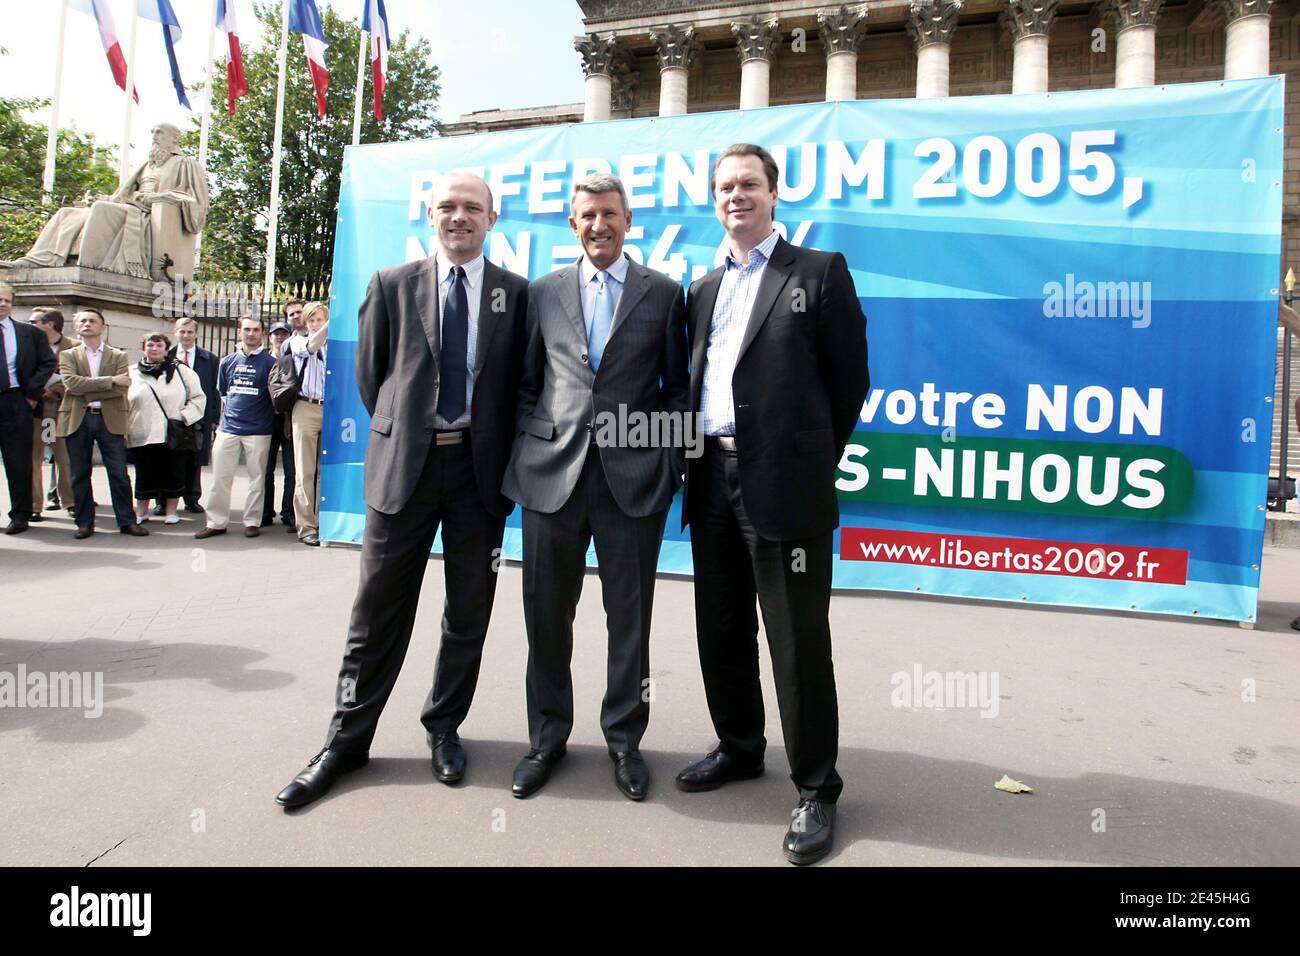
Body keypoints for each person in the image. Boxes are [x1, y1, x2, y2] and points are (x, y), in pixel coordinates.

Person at [275, 171, 528, 809]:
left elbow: (520, 385)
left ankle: (444, 727)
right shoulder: (391, 284)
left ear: (492, 220)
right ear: (430, 214)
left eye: (473, 207)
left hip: (479, 478)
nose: (460, 216)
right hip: (403, 474)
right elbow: (373, 380)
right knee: (376, 614)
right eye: (448, 205)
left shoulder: (514, 294)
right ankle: (346, 741)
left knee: (467, 613)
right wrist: (410, 431)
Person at [676, 144, 869, 865]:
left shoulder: (818, 273)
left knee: (796, 640)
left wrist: (802, 458)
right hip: (711, 483)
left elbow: (849, 384)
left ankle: (817, 788)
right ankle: (738, 746)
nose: (736, 196)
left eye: (748, 184)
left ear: (774, 193)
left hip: (783, 487)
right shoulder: (699, 290)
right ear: (714, 198)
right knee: (720, 629)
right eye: (725, 186)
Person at [501, 173, 689, 801]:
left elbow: (676, 389)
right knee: (546, 616)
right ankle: (546, 738)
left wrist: (665, 459)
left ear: (628, 220)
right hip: (553, 479)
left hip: (631, 484)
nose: (598, 225)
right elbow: (528, 383)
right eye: (587, 216)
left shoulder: (664, 294)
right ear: (572, 224)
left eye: (609, 214)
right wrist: (533, 447)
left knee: (629, 621)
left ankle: (624, 741)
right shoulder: (542, 293)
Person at [58, 308, 148, 539]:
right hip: (78, 418)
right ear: (76, 327)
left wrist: (87, 389)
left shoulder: (118, 355)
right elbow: (71, 384)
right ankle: (84, 522)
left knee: (118, 472)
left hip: (110, 419)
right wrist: (109, 381)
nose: (87, 324)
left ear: (102, 327)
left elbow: (122, 388)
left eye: (92, 321)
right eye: (82, 321)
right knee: (79, 473)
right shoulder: (68, 355)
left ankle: (127, 521)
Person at [196, 315, 276, 539]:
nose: (251, 334)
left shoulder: (271, 363)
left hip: (259, 430)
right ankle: (216, 522)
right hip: (228, 428)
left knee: (257, 479)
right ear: (239, 331)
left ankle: (252, 521)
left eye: (256, 330)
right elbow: (223, 393)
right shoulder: (227, 361)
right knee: (220, 478)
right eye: (247, 329)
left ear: (262, 333)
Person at [126, 333, 206, 524]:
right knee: (144, 473)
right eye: (150, 345)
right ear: (143, 348)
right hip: (142, 431)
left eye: (159, 345)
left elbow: (198, 398)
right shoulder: (131, 372)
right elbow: (123, 402)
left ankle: (171, 511)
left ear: (166, 348)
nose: (154, 349)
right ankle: (142, 511)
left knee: (174, 472)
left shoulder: (181, 372)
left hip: (174, 432)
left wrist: (184, 416)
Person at [0, 281, 56, 534]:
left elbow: (47, 363)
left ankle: (20, 514)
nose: (2, 304)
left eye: (6, 300)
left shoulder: (29, 333)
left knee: (18, 462)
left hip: (16, 402)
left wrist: (31, 396)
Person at [164, 317, 219, 514]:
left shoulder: (209, 358)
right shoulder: (166, 356)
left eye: (189, 332)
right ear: (175, 333)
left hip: (199, 415)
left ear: (196, 334)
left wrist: (214, 419)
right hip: (172, 415)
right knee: (168, 458)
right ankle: (164, 500)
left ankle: (192, 498)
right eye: (182, 331)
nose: (186, 336)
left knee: (194, 458)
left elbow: (215, 389)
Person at [28, 307, 76, 518]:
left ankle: (70, 502)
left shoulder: (73, 347)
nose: (29, 326)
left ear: (48, 325)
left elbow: (80, 375)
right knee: (33, 459)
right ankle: (34, 506)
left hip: (61, 411)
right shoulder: (28, 346)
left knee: (64, 458)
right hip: (35, 410)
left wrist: (55, 389)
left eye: (34, 322)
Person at [289, 301, 328, 546]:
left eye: (320, 319)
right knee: (305, 471)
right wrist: (333, 323)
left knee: (326, 470)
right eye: (311, 320)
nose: (315, 324)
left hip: (331, 408)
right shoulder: (298, 341)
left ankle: (324, 521)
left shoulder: (335, 345)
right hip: (306, 406)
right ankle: (306, 526)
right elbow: (311, 346)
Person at [262, 321, 296, 531]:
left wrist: (287, 419)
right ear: (270, 337)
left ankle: (289, 512)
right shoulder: (263, 360)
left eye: (284, 334)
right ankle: (265, 511)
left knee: (291, 470)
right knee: (266, 470)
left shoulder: (294, 359)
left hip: (289, 419)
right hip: (265, 420)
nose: (280, 337)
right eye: (276, 334)